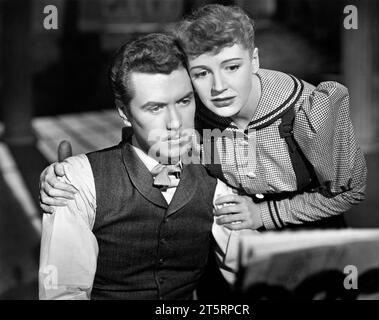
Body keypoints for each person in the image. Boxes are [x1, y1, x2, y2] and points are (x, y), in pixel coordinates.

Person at [41, 5, 367, 230]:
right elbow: (146, 151)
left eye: (232, 67)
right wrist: (74, 178)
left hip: (307, 239)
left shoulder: (311, 111)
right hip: (225, 245)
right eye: (201, 73)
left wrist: (265, 214)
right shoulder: (191, 111)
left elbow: (349, 191)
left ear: (254, 60)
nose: (219, 87)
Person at [38, 33, 250, 300]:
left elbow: (249, 268)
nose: (175, 122)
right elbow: (62, 293)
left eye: (184, 101)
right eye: (155, 108)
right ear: (124, 113)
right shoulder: (78, 181)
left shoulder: (218, 170)